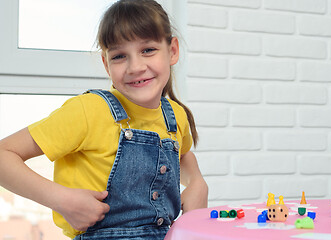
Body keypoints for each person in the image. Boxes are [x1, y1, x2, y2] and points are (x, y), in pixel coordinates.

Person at [0, 0, 208, 239]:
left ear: (172, 51)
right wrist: (62, 200)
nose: (135, 66)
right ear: (106, 64)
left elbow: (183, 154)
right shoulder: (89, 111)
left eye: (147, 50)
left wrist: (198, 183)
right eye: (120, 56)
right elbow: (3, 155)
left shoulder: (175, 116)